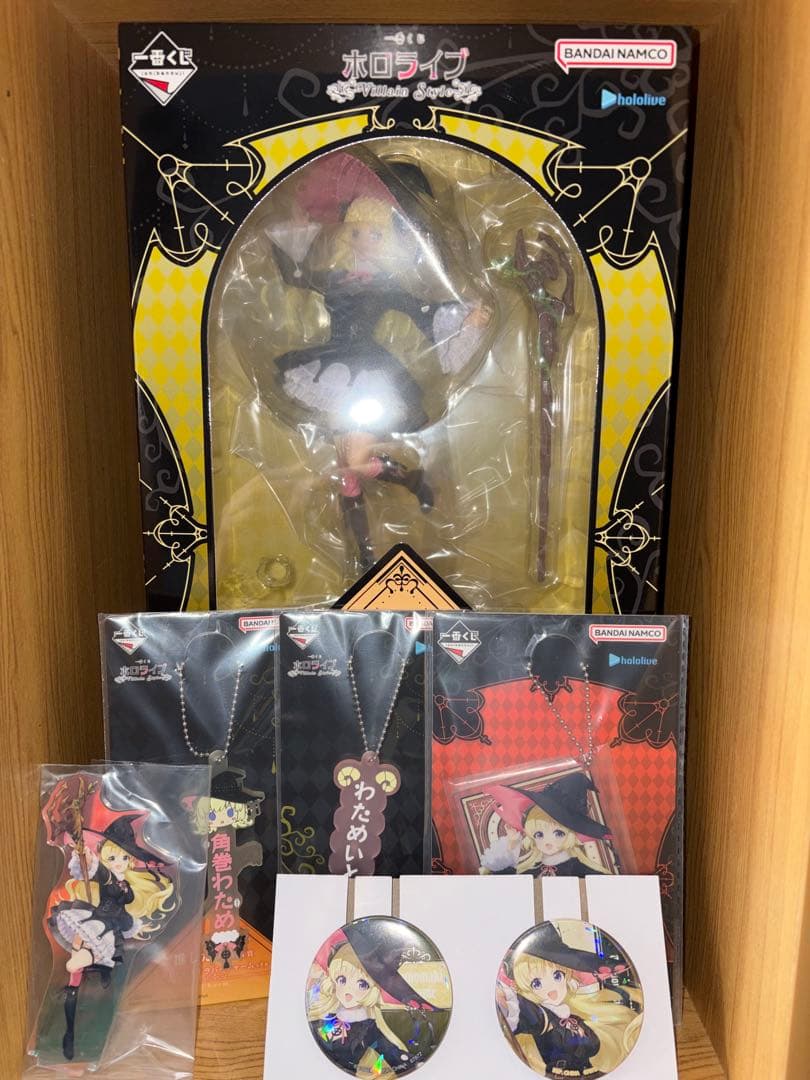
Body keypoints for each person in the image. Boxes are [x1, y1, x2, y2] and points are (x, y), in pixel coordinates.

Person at [48, 816, 174, 1060]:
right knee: (76, 966)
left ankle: (89, 985)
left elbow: (119, 895)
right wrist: (84, 856)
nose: (118, 863)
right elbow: (94, 873)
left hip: (108, 930)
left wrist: (98, 868)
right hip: (93, 921)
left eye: (124, 858)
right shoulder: (104, 876)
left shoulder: (126, 886)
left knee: (86, 965)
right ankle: (71, 1018)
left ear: (131, 861)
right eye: (112, 857)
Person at [480, 774, 613, 877]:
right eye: (539, 834)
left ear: (571, 835)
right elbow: (500, 885)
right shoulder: (530, 872)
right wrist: (512, 844)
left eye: (558, 833)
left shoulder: (581, 871)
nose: (547, 842)